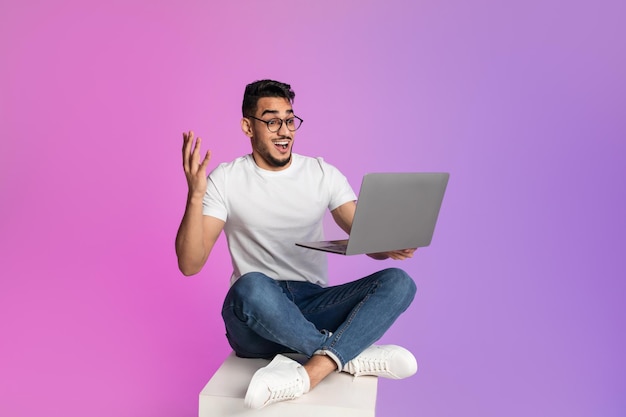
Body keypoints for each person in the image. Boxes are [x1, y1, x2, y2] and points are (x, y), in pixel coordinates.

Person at [175, 79, 418, 409]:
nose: (284, 131)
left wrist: (389, 244)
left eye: (290, 120)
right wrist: (196, 196)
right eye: (272, 121)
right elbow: (190, 264)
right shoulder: (226, 178)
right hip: (255, 314)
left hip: (313, 304)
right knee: (250, 286)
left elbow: (368, 239)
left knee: (399, 283)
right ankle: (346, 355)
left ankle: (316, 368)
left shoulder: (321, 173)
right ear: (248, 126)